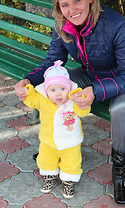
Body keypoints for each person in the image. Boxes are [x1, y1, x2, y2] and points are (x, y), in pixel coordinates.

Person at [14, 0, 125, 204]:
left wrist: (96, 91)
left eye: (77, 1)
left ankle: (119, 173)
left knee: (121, 108)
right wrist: (28, 80)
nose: (72, 9)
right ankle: (55, 145)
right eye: (64, 4)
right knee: (50, 85)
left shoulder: (116, 25)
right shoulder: (63, 27)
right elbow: (51, 65)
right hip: (91, 76)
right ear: (59, 7)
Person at [16, 60, 91, 198]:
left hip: (70, 142)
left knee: (72, 162)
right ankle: (50, 177)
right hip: (48, 140)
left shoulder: (72, 99)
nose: (58, 94)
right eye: (53, 90)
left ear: (69, 88)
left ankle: (69, 181)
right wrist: (26, 91)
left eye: (62, 89)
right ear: (46, 91)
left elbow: (82, 113)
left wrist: (81, 102)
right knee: (46, 160)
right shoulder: (42, 99)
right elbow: (31, 99)